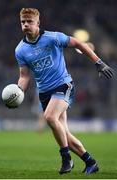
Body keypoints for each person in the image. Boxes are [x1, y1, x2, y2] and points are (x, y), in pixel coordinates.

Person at [14, 8, 114, 174]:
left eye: (29, 21)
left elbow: (79, 44)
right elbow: (24, 76)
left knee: (49, 117)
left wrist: (98, 62)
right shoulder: (20, 50)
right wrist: (18, 92)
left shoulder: (52, 37)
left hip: (63, 85)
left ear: (38, 23)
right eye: (23, 22)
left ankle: (66, 158)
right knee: (64, 134)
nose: (26, 24)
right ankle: (90, 162)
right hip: (44, 93)